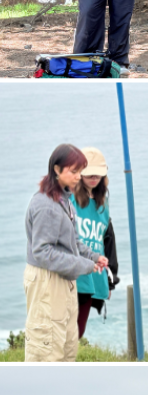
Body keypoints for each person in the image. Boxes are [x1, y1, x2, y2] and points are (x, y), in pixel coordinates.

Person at [25, 144, 108, 362]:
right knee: (47, 351)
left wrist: (92, 256)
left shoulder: (64, 198)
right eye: (73, 171)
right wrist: (85, 266)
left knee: (67, 346)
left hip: (63, 280)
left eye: (80, 170)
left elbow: (74, 240)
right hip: (47, 280)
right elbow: (43, 252)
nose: (78, 176)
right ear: (56, 170)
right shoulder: (46, 205)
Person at [70, 147, 118, 340]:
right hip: (71, 273)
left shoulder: (103, 203)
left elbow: (108, 242)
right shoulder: (70, 199)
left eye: (98, 172)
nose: (93, 176)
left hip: (93, 274)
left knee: (78, 331)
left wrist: (110, 280)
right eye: (89, 172)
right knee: (63, 329)